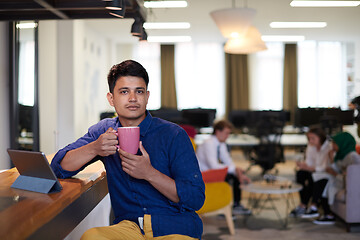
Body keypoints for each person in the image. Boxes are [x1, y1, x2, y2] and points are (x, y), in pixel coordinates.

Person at [50, 60, 205, 240]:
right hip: (129, 228)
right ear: (111, 99)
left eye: (139, 91)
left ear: (147, 97)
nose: (132, 98)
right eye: (124, 92)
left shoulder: (173, 134)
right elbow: (58, 167)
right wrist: (94, 148)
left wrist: (149, 173)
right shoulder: (104, 131)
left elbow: (195, 199)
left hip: (174, 226)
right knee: (92, 236)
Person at [196, 120, 251, 215]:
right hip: (202, 174)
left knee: (234, 174)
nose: (227, 136)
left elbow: (228, 161)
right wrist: (235, 170)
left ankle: (235, 205)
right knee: (230, 176)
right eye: (226, 133)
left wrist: (236, 170)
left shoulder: (220, 143)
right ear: (218, 132)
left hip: (212, 171)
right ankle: (225, 208)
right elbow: (213, 166)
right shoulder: (208, 143)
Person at [311, 132, 360, 225]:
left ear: (343, 143)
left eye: (334, 143)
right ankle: (320, 209)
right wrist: (332, 160)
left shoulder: (352, 157)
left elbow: (351, 178)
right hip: (339, 180)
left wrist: (334, 173)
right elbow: (337, 169)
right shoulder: (341, 155)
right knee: (321, 179)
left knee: (324, 182)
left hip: (345, 184)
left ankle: (320, 209)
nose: (332, 145)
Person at [289, 126, 332, 218]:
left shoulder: (328, 147)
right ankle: (304, 204)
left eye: (313, 138)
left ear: (320, 137)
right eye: (309, 138)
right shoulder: (310, 146)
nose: (310, 141)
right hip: (313, 170)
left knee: (311, 178)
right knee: (300, 174)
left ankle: (304, 205)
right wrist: (303, 165)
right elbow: (309, 162)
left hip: (322, 172)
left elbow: (325, 167)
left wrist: (312, 168)